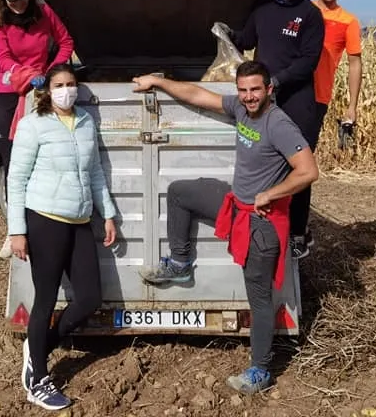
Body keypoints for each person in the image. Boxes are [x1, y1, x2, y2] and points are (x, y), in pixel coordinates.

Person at [132, 61, 318, 394]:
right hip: (237, 205)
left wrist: (270, 194)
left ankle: (260, 370)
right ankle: (180, 263)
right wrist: (157, 82)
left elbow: (308, 171)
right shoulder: (240, 108)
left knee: (259, 299)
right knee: (180, 193)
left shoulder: (279, 125)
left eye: (255, 90)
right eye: (243, 90)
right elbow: (196, 94)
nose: (249, 97)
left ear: (269, 89)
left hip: (262, 223)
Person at [7, 64, 118, 410]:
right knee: (44, 302)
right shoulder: (33, 124)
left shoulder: (85, 121)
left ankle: (37, 346)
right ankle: (37, 380)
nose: (66, 90)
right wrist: (17, 231)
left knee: (89, 299)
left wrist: (109, 213)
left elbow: (95, 172)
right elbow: (17, 179)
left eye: (71, 84)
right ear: (48, 90)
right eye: (59, 85)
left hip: (80, 219)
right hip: (45, 221)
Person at [215, 0, 324, 260]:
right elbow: (248, 39)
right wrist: (228, 34)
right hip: (264, 97)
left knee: (297, 167)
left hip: (296, 101)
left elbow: (308, 61)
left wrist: (277, 80)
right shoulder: (262, 6)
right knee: (262, 160)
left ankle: (298, 233)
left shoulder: (310, 14)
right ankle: (262, 219)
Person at [0, 0, 74, 207]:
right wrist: (23, 73)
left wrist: (51, 72)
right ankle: (15, 206)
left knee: (46, 145)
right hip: (11, 87)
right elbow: (2, 56)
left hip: (41, 87)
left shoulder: (44, 13)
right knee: (12, 148)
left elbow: (66, 42)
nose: (19, 3)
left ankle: (46, 202)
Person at [311, 0, 363, 143]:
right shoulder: (304, 11)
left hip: (320, 94)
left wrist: (352, 107)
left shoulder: (348, 21)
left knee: (307, 148)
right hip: (293, 90)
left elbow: (355, 64)